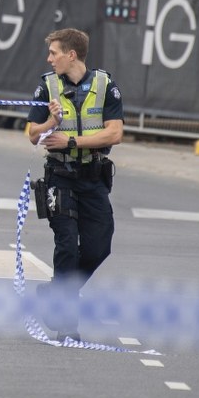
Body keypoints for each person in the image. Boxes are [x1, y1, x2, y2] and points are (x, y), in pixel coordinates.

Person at [26, 28, 124, 343]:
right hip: (60, 176)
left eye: (54, 52)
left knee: (99, 245)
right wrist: (50, 123)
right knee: (67, 246)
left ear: (71, 55)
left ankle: (55, 292)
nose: (49, 58)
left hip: (94, 179)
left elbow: (114, 134)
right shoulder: (47, 86)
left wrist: (71, 139)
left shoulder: (105, 85)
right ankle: (68, 324)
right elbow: (32, 134)